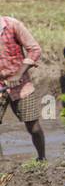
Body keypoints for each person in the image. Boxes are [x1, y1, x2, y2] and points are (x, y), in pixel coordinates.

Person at [0, 13, 45, 160]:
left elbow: (35, 49)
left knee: (33, 127)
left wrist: (18, 74)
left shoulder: (13, 25)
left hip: (21, 84)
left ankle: (42, 158)